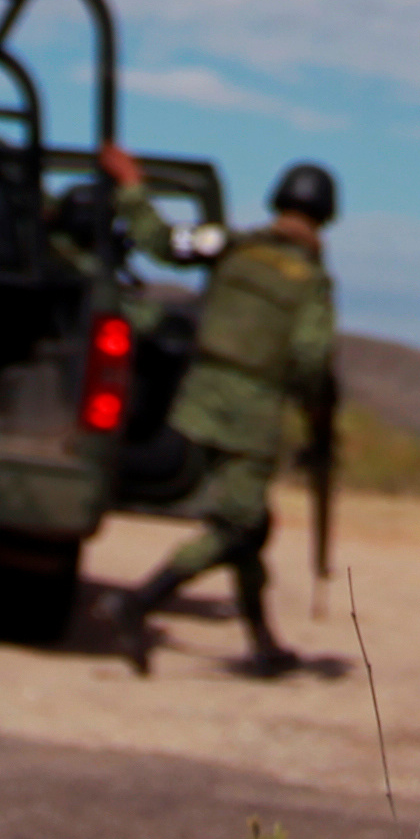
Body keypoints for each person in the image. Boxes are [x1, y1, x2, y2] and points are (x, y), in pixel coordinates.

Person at [115, 160, 339, 679]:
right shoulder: (311, 281)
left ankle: (262, 643)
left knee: (249, 521)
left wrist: (131, 188)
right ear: (326, 216)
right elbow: (311, 360)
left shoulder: (228, 244)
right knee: (238, 525)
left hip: (198, 400)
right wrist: (317, 419)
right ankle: (138, 603)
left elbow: (162, 241)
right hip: (252, 414)